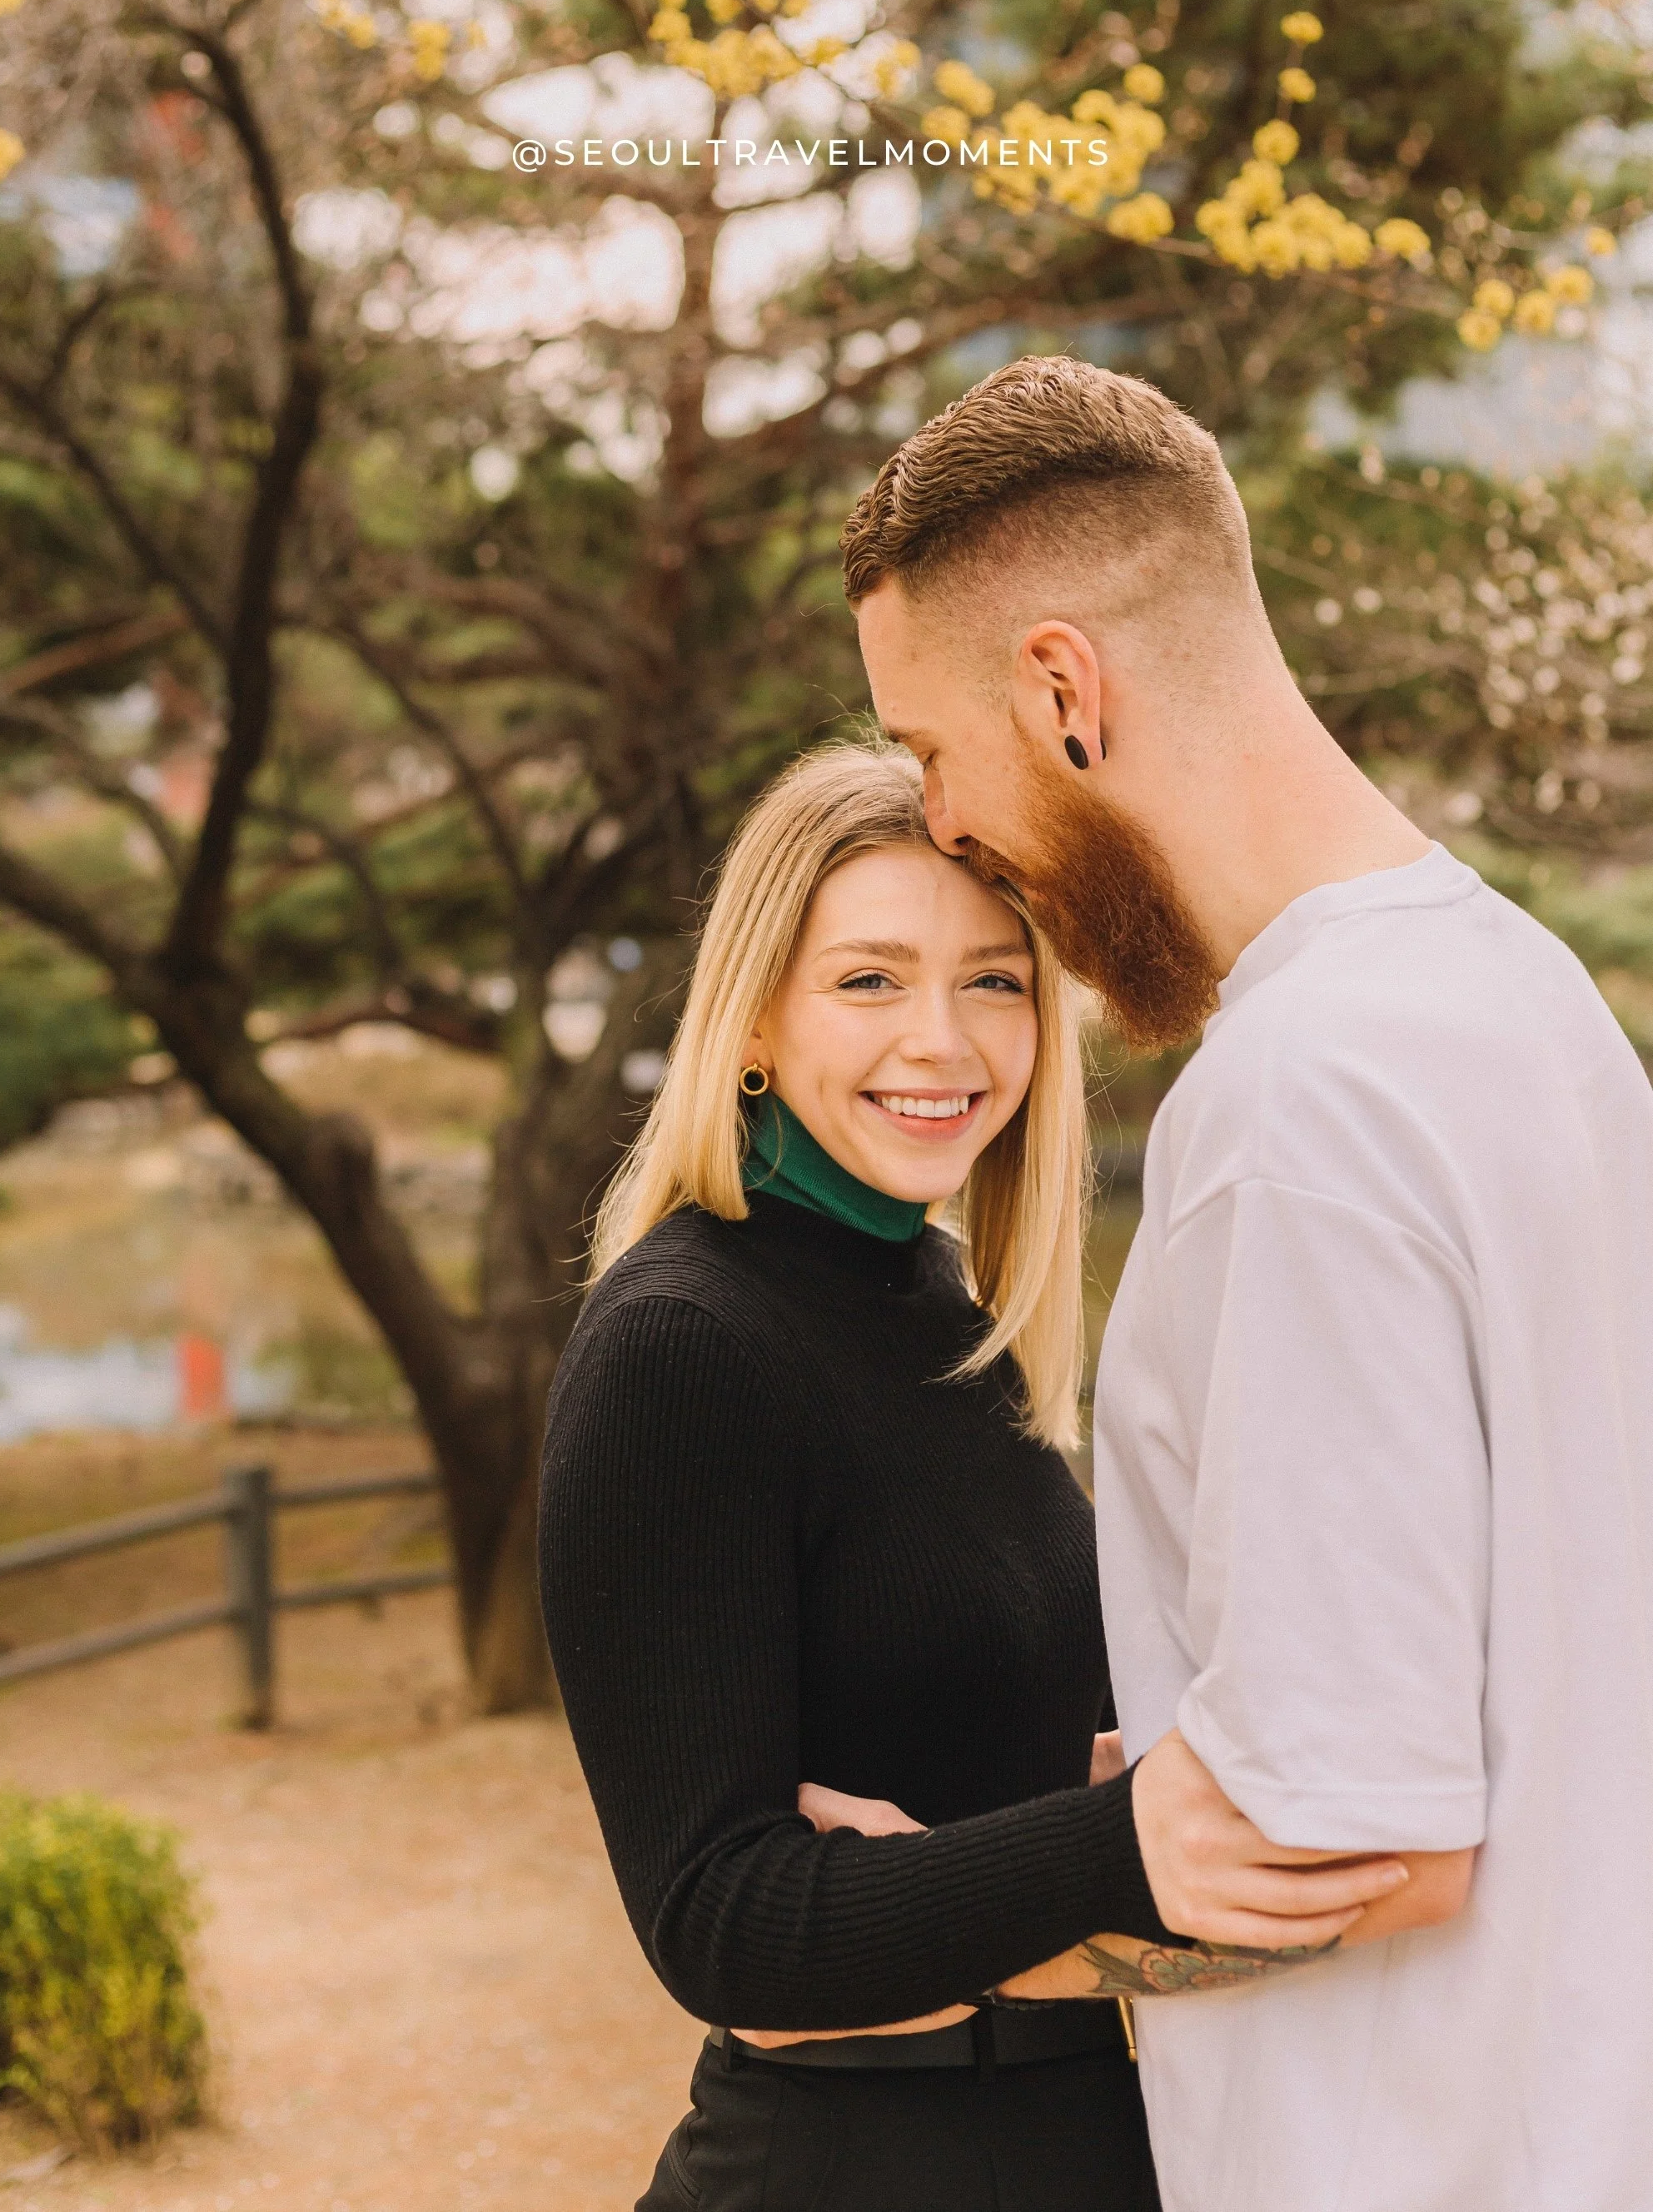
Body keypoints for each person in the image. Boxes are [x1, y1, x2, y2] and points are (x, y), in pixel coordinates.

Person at [839, 354, 1653, 2212]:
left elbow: (1362, 1845)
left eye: (930, 754)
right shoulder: (1523, 998)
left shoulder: (1293, 1111)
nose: (944, 825)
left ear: (1061, 688)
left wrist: (919, 1955)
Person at [538, 745, 1401, 2212]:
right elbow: (726, 1924)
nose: (941, 1041)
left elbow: (1024, 1749)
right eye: (869, 980)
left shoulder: (952, 1304)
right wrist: (1123, 1835)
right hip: (853, 2165)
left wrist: (1060, 1815)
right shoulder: (681, 1346)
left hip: (1083, 2132)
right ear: (752, 1017)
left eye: (995, 981)